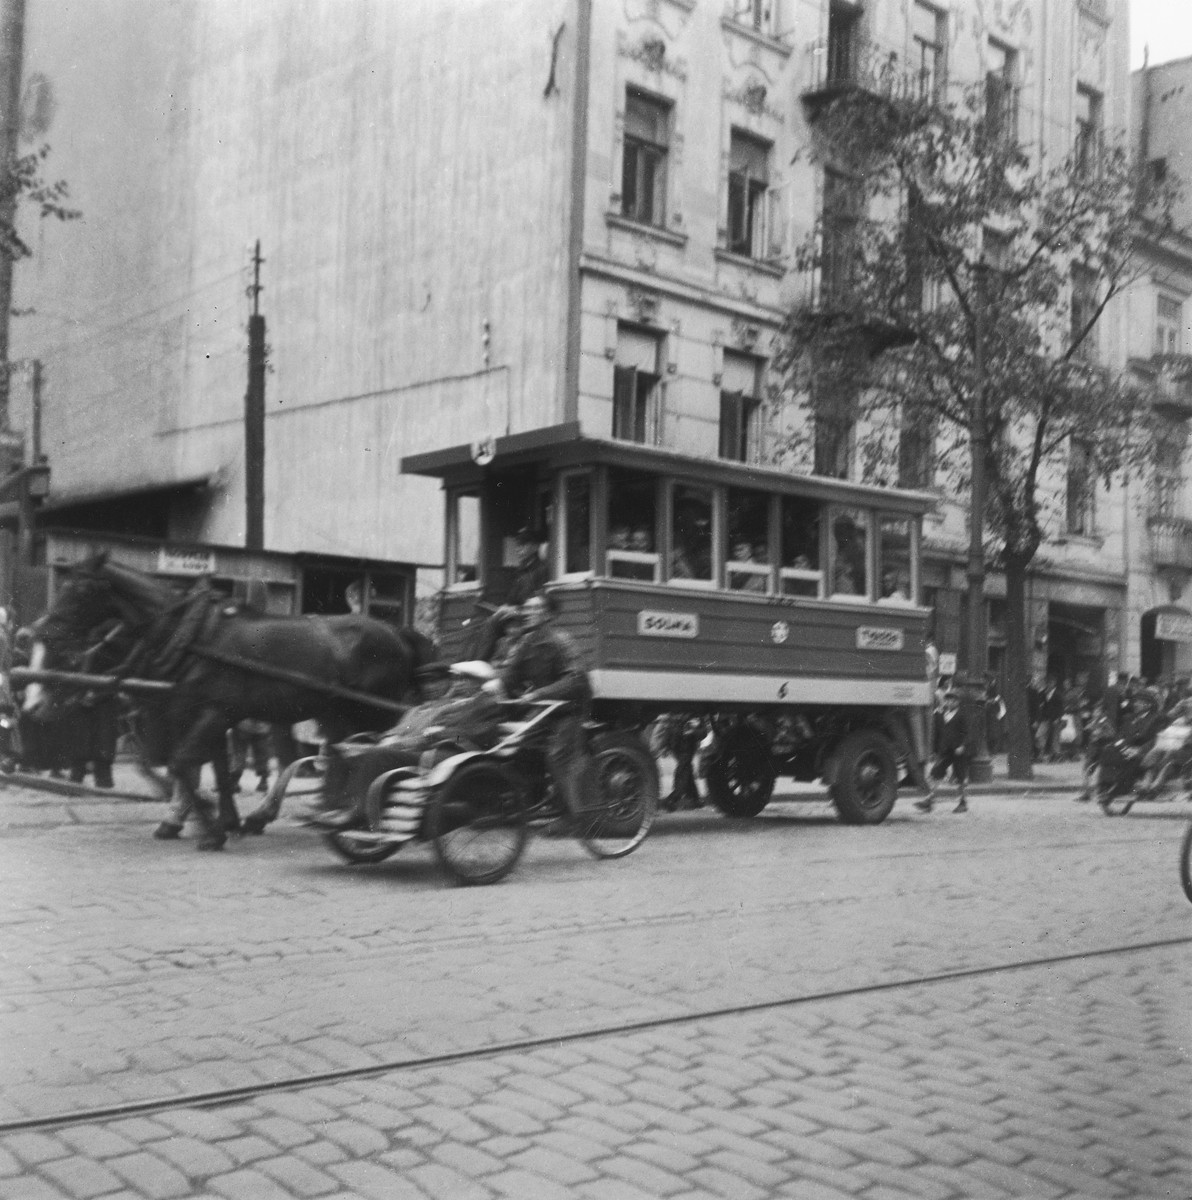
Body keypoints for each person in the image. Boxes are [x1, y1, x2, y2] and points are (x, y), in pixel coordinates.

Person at [500, 591, 594, 832]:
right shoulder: (525, 643)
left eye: (536, 609)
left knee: (557, 756)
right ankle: (532, 802)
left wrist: (538, 694)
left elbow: (576, 680)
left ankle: (575, 817)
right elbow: (509, 677)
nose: (529, 613)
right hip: (544, 709)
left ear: (550, 615)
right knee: (516, 743)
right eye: (527, 609)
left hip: (569, 709)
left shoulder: (562, 641)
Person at [915, 689, 969, 813]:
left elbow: (967, 733)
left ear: (957, 702)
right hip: (945, 750)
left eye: (953, 700)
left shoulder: (961, 715)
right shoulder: (940, 715)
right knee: (936, 773)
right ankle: (929, 801)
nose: (950, 702)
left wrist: (962, 745)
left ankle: (963, 802)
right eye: (948, 700)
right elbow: (937, 734)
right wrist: (934, 751)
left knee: (960, 776)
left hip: (957, 750)